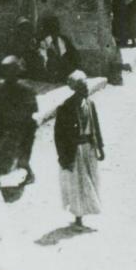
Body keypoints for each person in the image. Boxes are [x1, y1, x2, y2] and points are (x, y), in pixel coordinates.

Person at [54, 70, 104, 228]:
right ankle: (78, 217)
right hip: (74, 151)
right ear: (75, 88)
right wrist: (63, 157)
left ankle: (88, 210)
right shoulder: (65, 108)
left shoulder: (90, 104)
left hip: (89, 148)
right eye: (83, 86)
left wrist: (100, 147)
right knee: (77, 183)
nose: (87, 88)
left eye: (86, 84)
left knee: (91, 180)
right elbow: (59, 136)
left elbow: (96, 126)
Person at [0, 56, 37, 188]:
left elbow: (32, 109)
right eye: (6, 71)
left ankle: (29, 174)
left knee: (21, 154)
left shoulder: (25, 89)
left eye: (11, 71)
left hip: (22, 127)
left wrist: (15, 121)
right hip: (1, 126)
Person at [38, 14, 81, 83]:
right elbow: (43, 65)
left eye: (56, 27)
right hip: (51, 80)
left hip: (67, 77)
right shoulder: (42, 43)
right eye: (51, 27)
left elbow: (75, 57)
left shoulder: (63, 40)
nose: (56, 30)